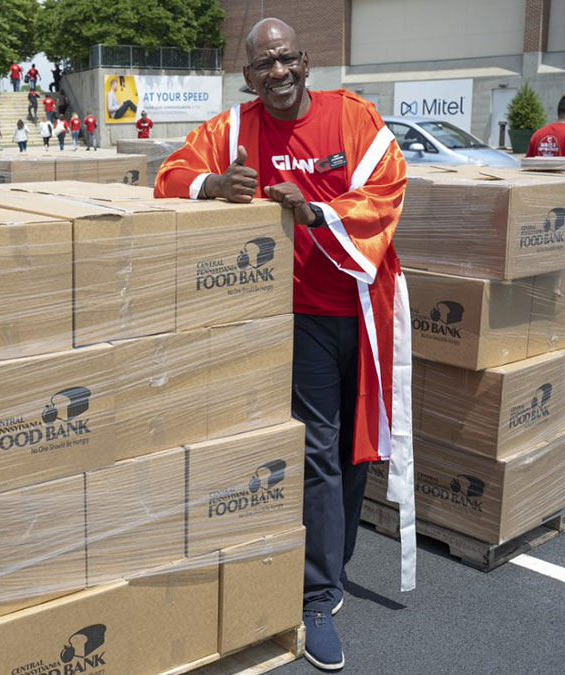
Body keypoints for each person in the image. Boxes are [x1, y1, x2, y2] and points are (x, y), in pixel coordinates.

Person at [153, 18, 414, 672]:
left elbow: (388, 187)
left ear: (305, 62)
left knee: (358, 446)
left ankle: (337, 563)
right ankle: (318, 593)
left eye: (286, 60)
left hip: (362, 306)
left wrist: (315, 210)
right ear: (247, 76)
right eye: (263, 65)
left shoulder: (351, 119)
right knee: (320, 447)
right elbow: (168, 175)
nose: (277, 73)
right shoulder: (233, 132)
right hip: (295, 318)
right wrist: (214, 186)